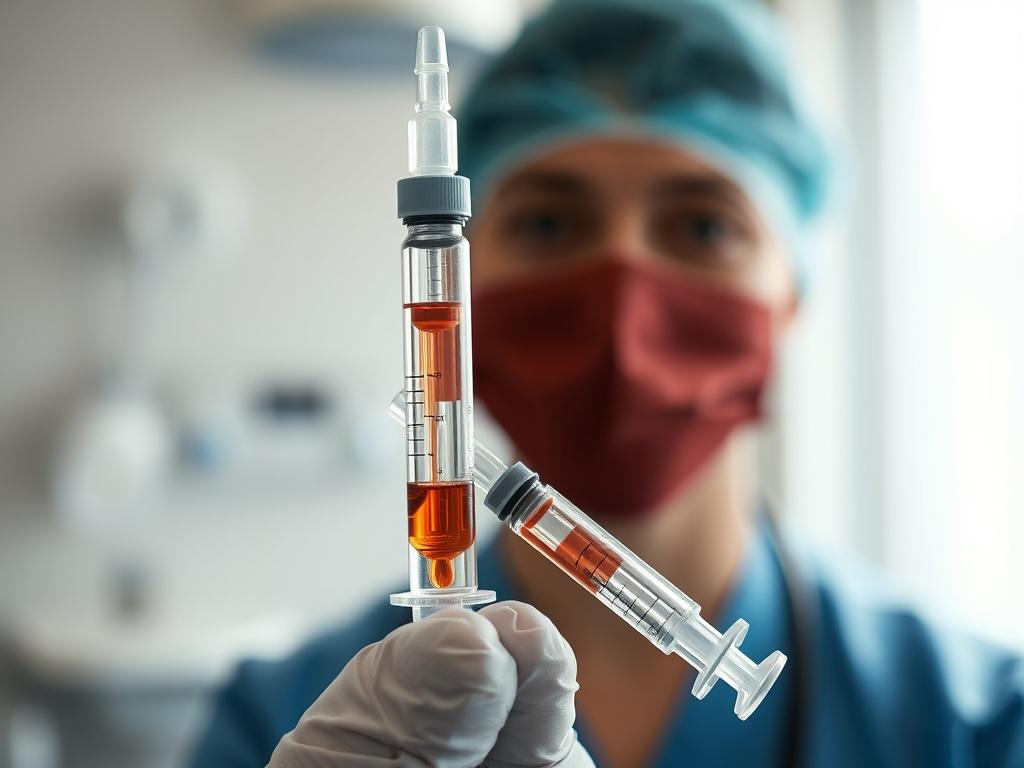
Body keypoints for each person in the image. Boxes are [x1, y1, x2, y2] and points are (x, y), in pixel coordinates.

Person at [190, 1, 1024, 765]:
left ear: (792, 296)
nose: (624, 285)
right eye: (550, 223)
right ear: (461, 285)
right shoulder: (293, 723)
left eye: (702, 225)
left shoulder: (978, 724)